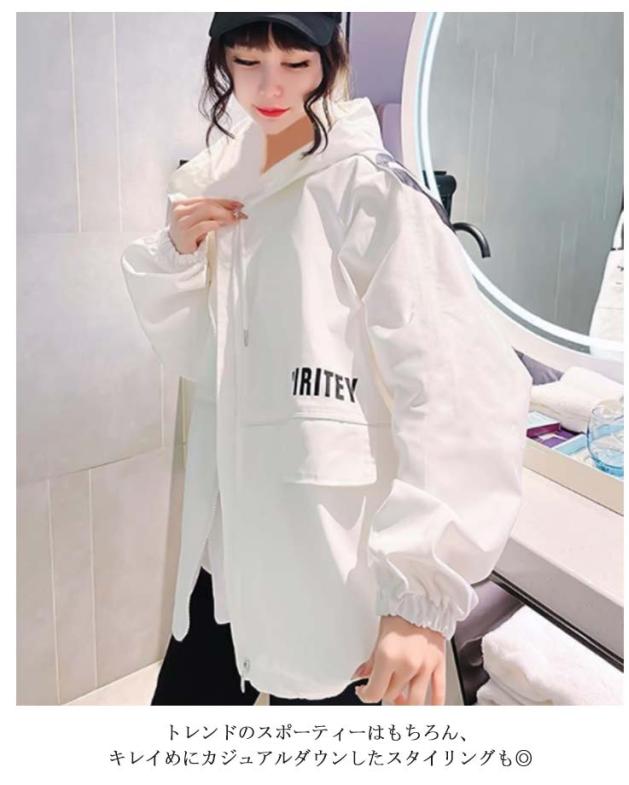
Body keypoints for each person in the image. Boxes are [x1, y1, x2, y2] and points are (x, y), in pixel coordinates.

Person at [120, 12, 532, 706]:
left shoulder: (370, 191)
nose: (270, 87)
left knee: (325, 696)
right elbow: (201, 355)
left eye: (295, 64)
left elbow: (459, 387)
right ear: (221, 61)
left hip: (330, 550)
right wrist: (178, 259)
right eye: (247, 62)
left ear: (330, 62)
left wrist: (420, 592)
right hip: (231, 537)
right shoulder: (221, 179)